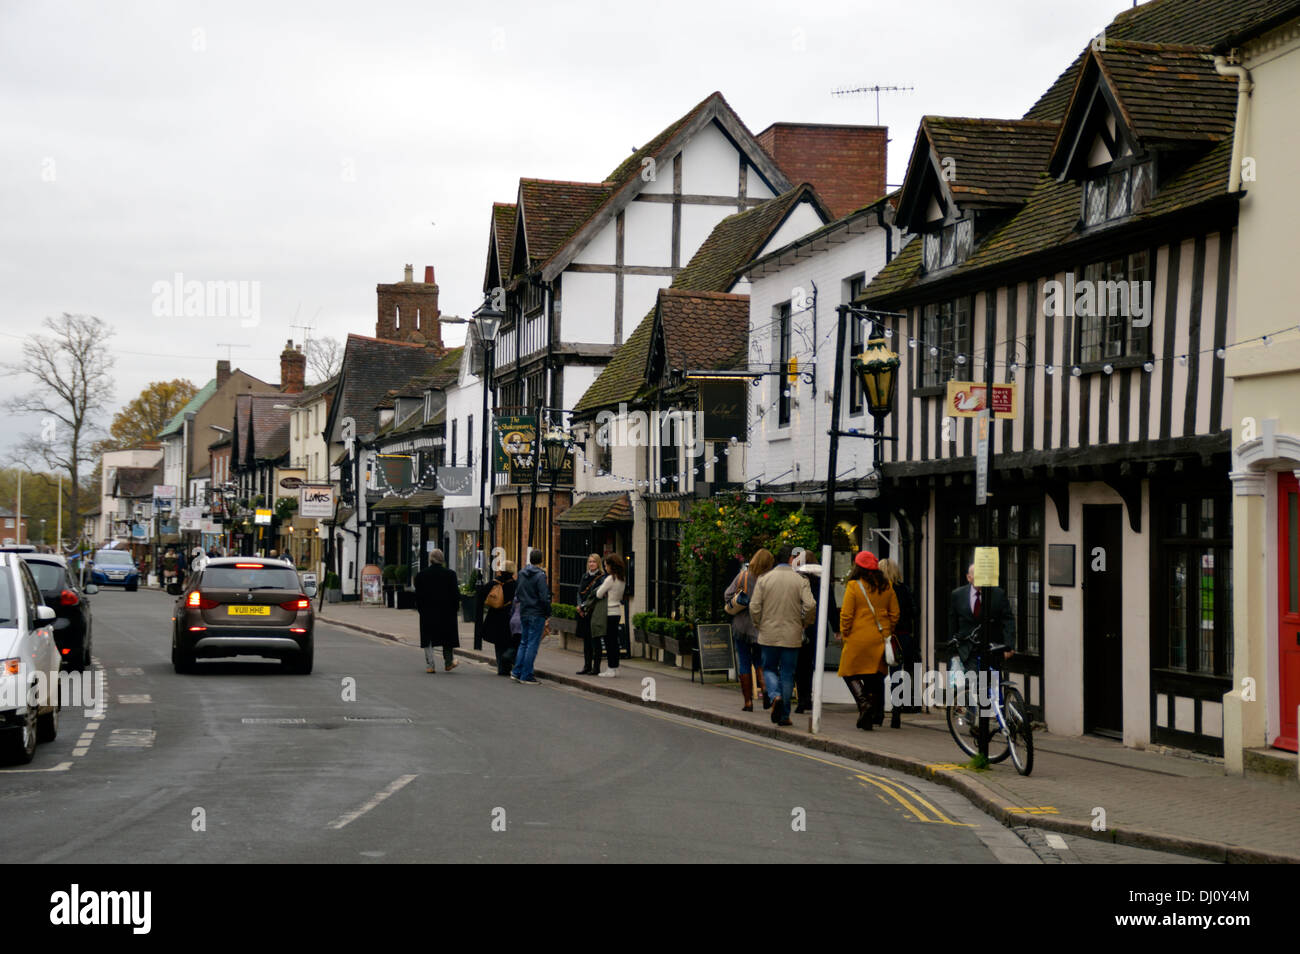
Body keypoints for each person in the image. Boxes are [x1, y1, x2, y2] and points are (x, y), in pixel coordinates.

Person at [750, 545, 815, 727]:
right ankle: (785, 715)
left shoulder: (764, 579)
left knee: (769, 668)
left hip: (768, 633)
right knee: (788, 673)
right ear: (791, 559)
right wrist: (804, 623)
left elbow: (754, 607)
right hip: (792, 634)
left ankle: (775, 696)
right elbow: (810, 605)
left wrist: (758, 624)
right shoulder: (800, 580)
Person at [838, 551, 899, 731]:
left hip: (857, 637)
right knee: (874, 677)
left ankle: (864, 704)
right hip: (880, 638)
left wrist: (845, 634)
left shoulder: (853, 586)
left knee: (848, 672)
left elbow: (846, 615)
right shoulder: (887, 585)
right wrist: (888, 630)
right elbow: (895, 613)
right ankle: (873, 715)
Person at [724, 548, 774, 711]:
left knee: (744, 662)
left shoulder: (743, 576)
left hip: (742, 626)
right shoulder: (770, 579)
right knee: (761, 661)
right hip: (761, 627)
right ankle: (766, 690)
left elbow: (727, 595)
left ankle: (748, 702)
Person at [794, 559, 837, 714]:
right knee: (813, 665)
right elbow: (831, 608)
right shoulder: (824, 585)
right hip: (819, 630)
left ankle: (802, 700)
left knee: (800, 666)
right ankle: (810, 698)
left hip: (802, 629)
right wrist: (837, 628)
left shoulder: (798, 583)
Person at [879, 558, 916, 728]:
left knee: (878, 673)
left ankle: (878, 711)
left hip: (884, 636)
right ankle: (896, 709)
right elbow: (914, 611)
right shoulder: (904, 589)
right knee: (896, 674)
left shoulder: (879, 590)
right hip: (902, 637)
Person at [413, 550, 460, 673]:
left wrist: (421, 610)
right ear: (442, 559)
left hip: (428, 612)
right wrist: (455, 609)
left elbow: (418, 596)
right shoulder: (451, 574)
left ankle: (430, 665)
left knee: (428, 638)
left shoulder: (421, 575)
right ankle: (448, 663)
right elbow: (456, 595)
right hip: (447, 612)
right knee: (447, 637)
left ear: (430, 559)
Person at [510, 549, 551, 685]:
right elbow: (544, 597)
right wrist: (547, 613)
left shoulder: (521, 573)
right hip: (537, 612)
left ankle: (517, 672)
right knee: (532, 644)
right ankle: (526, 675)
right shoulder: (540, 576)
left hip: (524, 610)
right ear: (541, 560)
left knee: (524, 642)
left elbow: (518, 592)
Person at [482, 561, 519, 676]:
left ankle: (502, 669)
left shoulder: (494, 583)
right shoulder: (515, 585)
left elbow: (482, 594)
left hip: (495, 616)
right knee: (509, 641)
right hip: (509, 616)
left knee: (498, 643)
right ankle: (507, 658)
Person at [595, 553, 626, 678]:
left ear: (611, 566)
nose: (605, 568)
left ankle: (611, 668)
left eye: (606, 565)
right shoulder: (622, 578)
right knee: (615, 641)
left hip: (608, 612)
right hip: (617, 611)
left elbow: (598, 593)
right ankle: (616, 667)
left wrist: (604, 593)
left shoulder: (610, 579)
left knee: (609, 642)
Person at [575, 554, 606, 675]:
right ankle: (587, 665)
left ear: (598, 563)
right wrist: (579, 606)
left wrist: (585, 606)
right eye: (589, 562)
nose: (591, 564)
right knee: (586, 640)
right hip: (584, 612)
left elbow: (596, 595)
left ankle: (596, 667)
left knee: (595, 641)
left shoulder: (601, 578)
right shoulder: (585, 576)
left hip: (594, 611)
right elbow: (579, 592)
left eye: (593, 562)